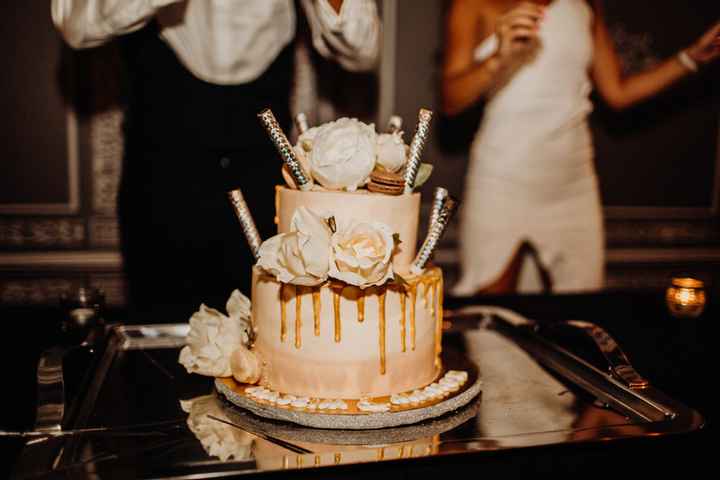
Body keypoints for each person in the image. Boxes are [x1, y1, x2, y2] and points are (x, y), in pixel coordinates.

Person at [51, 0, 380, 317]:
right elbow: (74, 23)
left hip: (264, 186)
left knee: (266, 344)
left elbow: (362, 49)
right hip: (159, 183)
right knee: (159, 343)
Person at [442, 0, 720, 295]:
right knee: (490, 321)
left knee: (581, 320)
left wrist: (690, 59)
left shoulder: (584, 6)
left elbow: (618, 92)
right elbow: (451, 100)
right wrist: (498, 58)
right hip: (502, 181)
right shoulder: (472, 4)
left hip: (572, 187)